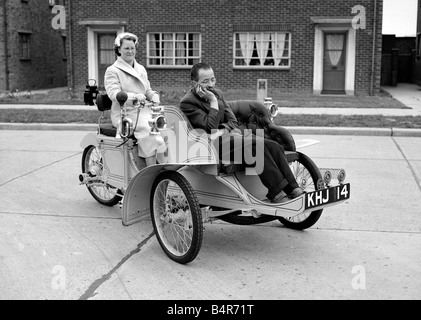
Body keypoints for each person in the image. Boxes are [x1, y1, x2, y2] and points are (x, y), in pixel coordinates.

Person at [179, 63, 304, 203]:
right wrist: (213, 102)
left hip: (230, 139)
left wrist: (222, 130)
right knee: (256, 146)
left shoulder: (218, 93)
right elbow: (209, 127)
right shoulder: (188, 102)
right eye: (205, 81)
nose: (210, 85)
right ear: (194, 83)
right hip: (212, 147)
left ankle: (293, 188)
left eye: (212, 79)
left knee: (273, 145)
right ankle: (276, 193)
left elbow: (232, 120)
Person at [104, 32, 166, 166]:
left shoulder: (141, 69)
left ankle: (166, 169)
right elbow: (114, 94)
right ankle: (152, 174)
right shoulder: (113, 70)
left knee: (166, 129)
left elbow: (147, 90)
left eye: (132, 48)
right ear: (118, 49)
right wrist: (133, 97)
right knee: (149, 131)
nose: (130, 51)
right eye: (126, 48)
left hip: (144, 111)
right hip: (125, 113)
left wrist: (153, 95)